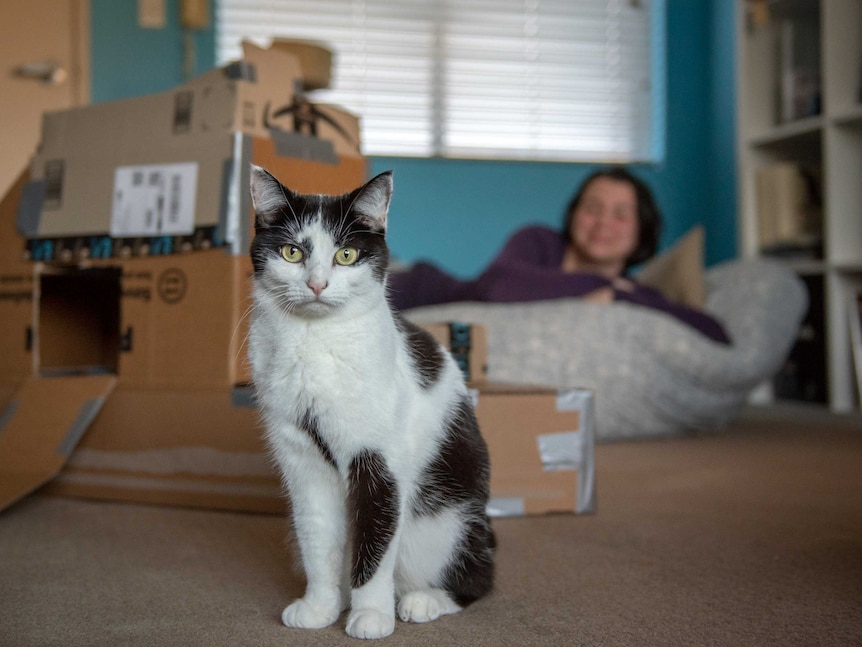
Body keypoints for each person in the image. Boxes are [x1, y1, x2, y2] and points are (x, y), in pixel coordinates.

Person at [387, 167, 731, 344]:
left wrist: (619, 295)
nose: (603, 223)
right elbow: (499, 287)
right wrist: (601, 288)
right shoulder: (539, 240)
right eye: (592, 209)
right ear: (574, 214)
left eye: (621, 214)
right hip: (417, 286)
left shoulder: (630, 294)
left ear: (642, 231)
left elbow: (715, 331)